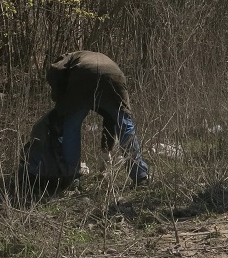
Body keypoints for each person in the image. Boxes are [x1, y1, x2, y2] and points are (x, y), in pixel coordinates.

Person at [27, 50, 149, 186]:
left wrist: (59, 98)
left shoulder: (69, 56)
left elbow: (55, 69)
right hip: (115, 77)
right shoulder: (98, 57)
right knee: (125, 125)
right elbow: (111, 121)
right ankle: (140, 177)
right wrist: (105, 150)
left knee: (71, 126)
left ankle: (71, 177)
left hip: (83, 76)